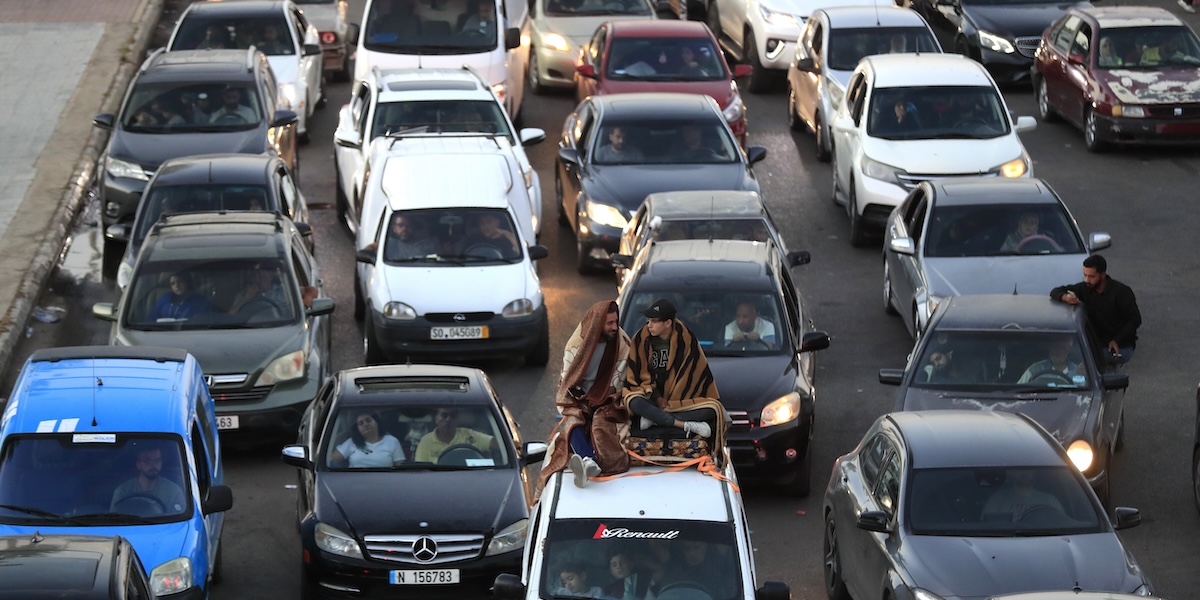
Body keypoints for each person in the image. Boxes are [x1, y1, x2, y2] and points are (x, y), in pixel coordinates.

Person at [538, 300, 632, 492]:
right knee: (573, 422)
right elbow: (568, 380)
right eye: (609, 323)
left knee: (600, 423)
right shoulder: (577, 343)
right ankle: (589, 460)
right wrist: (581, 398)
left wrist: (604, 398)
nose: (615, 327)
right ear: (598, 324)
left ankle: (590, 460)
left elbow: (623, 378)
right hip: (582, 400)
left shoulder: (622, 343)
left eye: (616, 322)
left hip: (610, 399)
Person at [622, 299, 727, 451]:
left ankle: (655, 419)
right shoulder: (641, 339)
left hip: (680, 402)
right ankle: (683, 425)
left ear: (668, 323)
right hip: (651, 399)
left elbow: (691, 374)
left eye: (654, 321)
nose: (649, 325)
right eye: (648, 320)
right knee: (634, 402)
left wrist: (663, 407)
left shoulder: (686, 340)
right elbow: (639, 377)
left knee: (712, 409)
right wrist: (657, 397)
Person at [1051, 254, 1142, 364]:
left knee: (1095, 360)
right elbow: (1056, 291)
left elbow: (1135, 320)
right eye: (1085, 275)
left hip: (1121, 345)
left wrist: (1116, 340)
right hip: (1094, 343)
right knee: (1068, 354)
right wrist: (1065, 297)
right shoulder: (1085, 288)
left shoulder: (1122, 292)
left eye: (1091, 276)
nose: (1087, 280)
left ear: (1103, 275)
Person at [110, 446, 186, 515]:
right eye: (147, 461)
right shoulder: (123, 491)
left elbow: (179, 522)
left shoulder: (174, 491)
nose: (153, 465)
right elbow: (114, 520)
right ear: (138, 465)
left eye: (157, 460)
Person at [413, 406, 498, 463]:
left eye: (452, 416)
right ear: (436, 419)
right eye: (444, 415)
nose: (448, 419)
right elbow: (421, 470)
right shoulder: (426, 441)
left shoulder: (470, 435)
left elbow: (496, 443)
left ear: (457, 420)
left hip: (470, 478)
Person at [331, 411, 406, 468]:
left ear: (377, 422)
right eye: (361, 423)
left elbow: (400, 468)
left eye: (368, 420)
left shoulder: (392, 441)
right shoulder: (352, 442)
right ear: (357, 429)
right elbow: (333, 459)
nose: (365, 424)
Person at [982, 469, 1065, 521]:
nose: (1024, 472)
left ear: (1034, 471)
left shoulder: (1049, 500)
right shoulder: (997, 500)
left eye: (1028, 469)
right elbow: (985, 526)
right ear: (1012, 472)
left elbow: (1063, 522)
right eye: (1019, 470)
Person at [364, 213, 438, 260]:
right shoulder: (390, 244)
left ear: (414, 228)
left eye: (408, 225)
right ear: (395, 228)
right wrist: (367, 253)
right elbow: (372, 247)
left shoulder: (427, 244)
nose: (404, 229)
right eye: (401, 225)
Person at [148, 272, 214, 321]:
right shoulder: (164, 299)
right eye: (173, 283)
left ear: (187, 282)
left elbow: (207, 320)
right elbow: (152, 319)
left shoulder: (200, 302)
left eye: (180, 281)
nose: (177, 286)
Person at [1018, 338, 1083, 384]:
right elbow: (1019, 390)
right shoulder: (1034, 370)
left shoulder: (1078, 372)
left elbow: (1084, 395)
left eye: (1061, 347)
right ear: (1049, 348)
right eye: (1053, 346)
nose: (1056, 351)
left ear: (1069, 350)